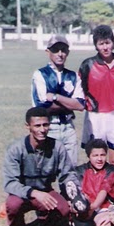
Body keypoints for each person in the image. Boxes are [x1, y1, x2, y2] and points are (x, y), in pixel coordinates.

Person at [2, 107, 81, 226]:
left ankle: (44, 225)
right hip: (23, 194)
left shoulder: (57, 147)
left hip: (45, 190)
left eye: (45, 125)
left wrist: (72, 195)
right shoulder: (16, 149)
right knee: (13, 205)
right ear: (28, 126)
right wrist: (34, 193)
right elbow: (10, 183)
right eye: (37, 126)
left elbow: (67, 174)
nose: (42, 129)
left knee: (63, 208)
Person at [79, 25, 114, 166]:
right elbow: (81, 90)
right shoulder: (87, 65)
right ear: (96, 45)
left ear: (113, 42)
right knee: (97, 159)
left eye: (107, 43)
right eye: (101, 44)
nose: (105, 47)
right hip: (95, 115)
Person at [30, 35, 85, 166]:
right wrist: (70, 104)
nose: (60, 54)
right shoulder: (40, 74)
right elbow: (42, 107)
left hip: (68, 127)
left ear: (68, 52)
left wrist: (56, 97)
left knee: (70, 169)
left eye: (63, 50)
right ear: (48, 52)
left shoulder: (73, 76)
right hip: (48, 127)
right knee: (47, 169)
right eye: (55, 50)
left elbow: (81, 105)